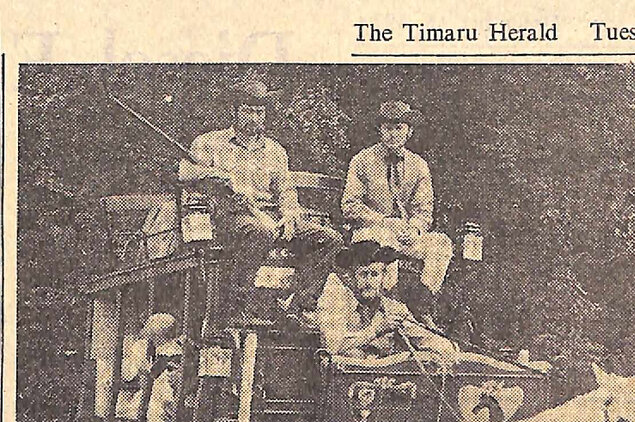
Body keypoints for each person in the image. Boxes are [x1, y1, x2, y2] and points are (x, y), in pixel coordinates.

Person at [177, 73, 342, 307]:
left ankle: (298, 304)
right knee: (260, 232)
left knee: (330, 239)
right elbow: (185, 172)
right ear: (234, 111)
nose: (254, 117)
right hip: (228, 217)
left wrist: (289, 215)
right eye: (248, 110)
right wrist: (218, 175)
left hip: (269, 216)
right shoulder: (210, 143)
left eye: (259, 112)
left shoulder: (275, 150)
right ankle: (237, 302)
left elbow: (285, 189)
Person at [339, 100, 453, 315]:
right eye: (388, 128)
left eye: (398, 128)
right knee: (385, 245)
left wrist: (415, 229)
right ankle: (385, 311)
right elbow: (350, 205)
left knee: (441, 244)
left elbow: (424, 210)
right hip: (370, 232)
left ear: (409, 131)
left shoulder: (419, 165)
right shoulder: (362, 160)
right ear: (380, 130)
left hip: (405, 235)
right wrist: (382, 221)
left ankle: (422, 306)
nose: (392, 134)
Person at [314, 239, 456, 362]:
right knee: (353, 354)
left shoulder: (394, 309)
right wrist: (375, 331)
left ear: (383, 277)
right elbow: (332, 346)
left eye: (374, 274)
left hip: (385, 386)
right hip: (345, 384)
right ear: (352, 277)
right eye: (363, 274)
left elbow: (424, 338)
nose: (369, 281)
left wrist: (449, 349)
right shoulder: (337, 303)